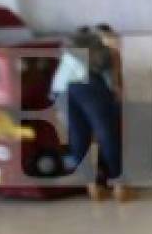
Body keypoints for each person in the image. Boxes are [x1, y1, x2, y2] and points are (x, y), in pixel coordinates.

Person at [56, 27, 131, 202]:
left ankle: (92, 187)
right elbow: (115, 85)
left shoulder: (69, 55)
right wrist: (116, 97)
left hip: (63, 90)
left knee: (78, 136)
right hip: (91, 87)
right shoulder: (110, 53)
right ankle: (119, 187)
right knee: (107, 134)